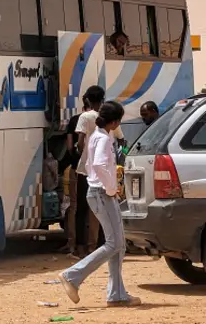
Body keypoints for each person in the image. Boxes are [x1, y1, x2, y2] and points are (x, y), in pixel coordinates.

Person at [58, 101, 141, 307]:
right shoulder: (103, 139)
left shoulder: (97, 136)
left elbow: (89, 164)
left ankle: (117, 293)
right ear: (114, 121)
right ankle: (73, 275)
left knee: (118, 244)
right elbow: (98, 165)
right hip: (103, 193)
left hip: (97, 192)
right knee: (114, 243)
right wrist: (112, 187)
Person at [74, 86, 125, 257]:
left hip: (85, 172)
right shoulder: (107, 130)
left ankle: (81, 246)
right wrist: (112, 185)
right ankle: (96, 246)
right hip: (103, 182)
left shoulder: (86, 118)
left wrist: (82, 154)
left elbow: (80, 143)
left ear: (87, 100)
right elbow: (122, 141)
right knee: (108, 222)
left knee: (82, 210)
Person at [58, 96, 90, 257]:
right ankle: (93, 245)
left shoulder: (75, 120)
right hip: (95, 169)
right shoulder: (101, 119)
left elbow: (71, 146)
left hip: (77, 168)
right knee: (93, 206)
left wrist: (75, 158)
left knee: (74, 205)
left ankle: (72, 243)